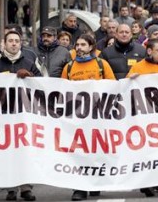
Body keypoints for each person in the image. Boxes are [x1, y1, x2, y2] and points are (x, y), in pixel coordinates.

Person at [0, 30, 41, 201]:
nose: (14, 43)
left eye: (17, 41)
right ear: (4, 43)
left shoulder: (29, 62)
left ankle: (26, 188)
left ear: (20, 43)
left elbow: (42, 83)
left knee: (25, 151)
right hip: (4, 114)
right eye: (10, 41)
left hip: (25, 113)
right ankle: (11, 188)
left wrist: (30, 76)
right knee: (8, 152)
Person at [61, 34, 115, 201]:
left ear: (91, 47)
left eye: (83, 45)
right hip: (76, 120)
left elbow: (113, 86)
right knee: (78, 153)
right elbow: (61, 91)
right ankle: (80, 188)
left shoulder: (101, 64)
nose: (79, 48)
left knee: (97, 151)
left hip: (98, 117)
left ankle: (95, 181)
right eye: (77, 45)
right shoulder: (69, 67)